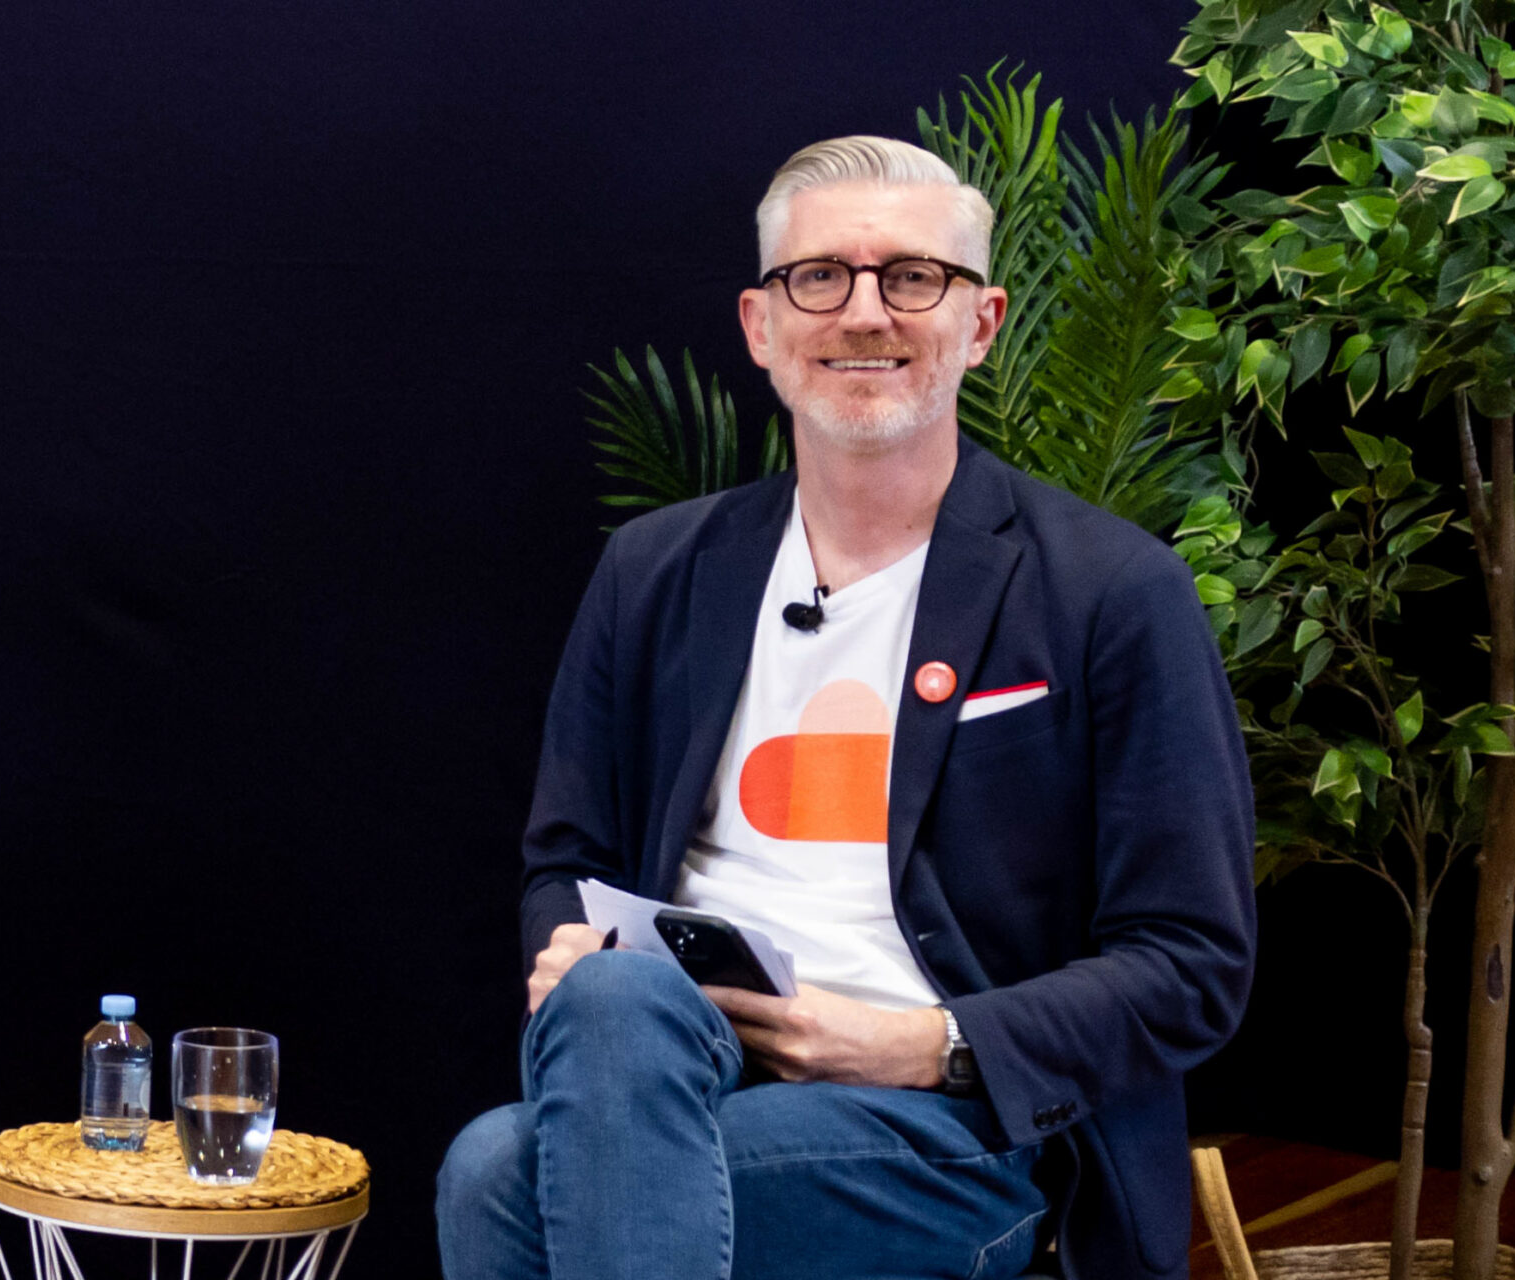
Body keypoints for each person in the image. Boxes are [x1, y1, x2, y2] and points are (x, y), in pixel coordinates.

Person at [436, 135, 1256, 1280]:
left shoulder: (1110, 590)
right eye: (818, 277)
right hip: (669, 1058)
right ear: (760, 326)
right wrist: (565, 950)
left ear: (979, 323)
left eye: (911, 277)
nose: (863, 312)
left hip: (952, 1121)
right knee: (611, 1006)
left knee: (496, 1172)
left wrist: (932, 1043)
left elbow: (1191, 959)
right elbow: (562, 858)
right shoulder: (653, 569)